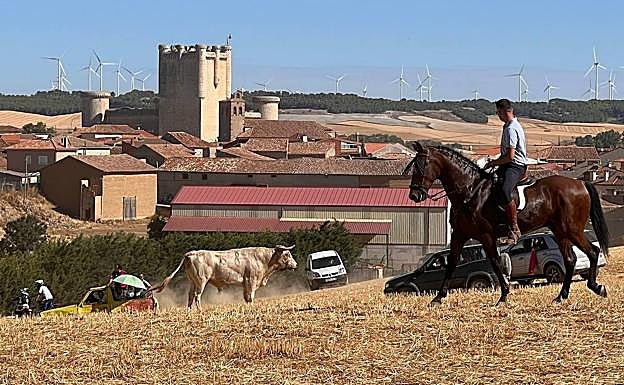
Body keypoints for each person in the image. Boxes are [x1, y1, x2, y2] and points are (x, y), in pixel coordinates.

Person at [485, 98, 528, 245]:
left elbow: (510, 156)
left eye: (498, 112)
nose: (498, 116)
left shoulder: (511, 129)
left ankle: (514, 228)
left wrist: (493, 162)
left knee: (505, 190)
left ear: (504, 111)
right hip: (508, 164)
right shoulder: (509, 126)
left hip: (515, 166)